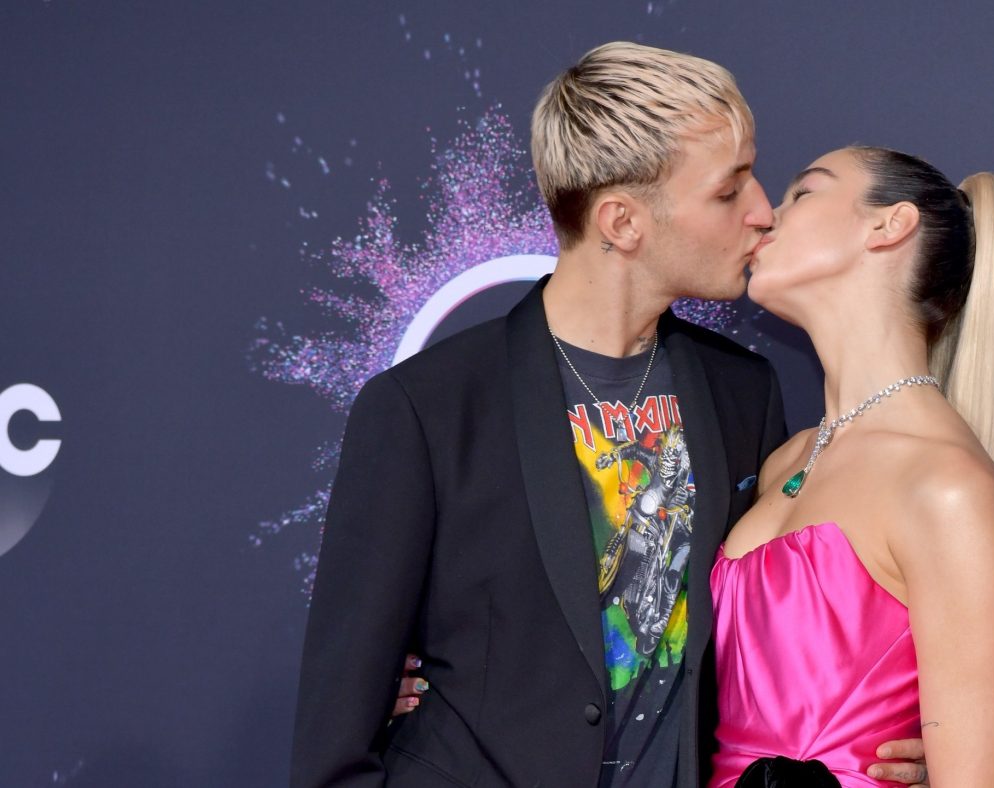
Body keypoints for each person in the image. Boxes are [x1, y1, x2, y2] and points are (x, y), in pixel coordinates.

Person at [291, 43, 931, 787]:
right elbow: (335, 747)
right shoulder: (428, 407)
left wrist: (882, 747)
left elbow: (775, 630)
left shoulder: (740, 390)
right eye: (727, 193)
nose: (763, 212)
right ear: (623, 223)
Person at [711, 147, 994, 786]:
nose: (763, 216)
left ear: (888, 226)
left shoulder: (946, 485)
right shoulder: (788, 457)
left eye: (802, 193)